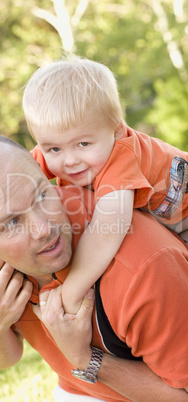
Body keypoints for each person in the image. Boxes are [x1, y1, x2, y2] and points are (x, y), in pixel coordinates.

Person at [0, 135, 188, 401]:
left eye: (42, 194)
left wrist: (86, 359)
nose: (44, 228)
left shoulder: (144, 265)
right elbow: (2, 358)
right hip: (78, 392)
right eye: (11, 223)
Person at [22, 55, 188, 314]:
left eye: (83, 144)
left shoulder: (123, 153)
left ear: (117, 130)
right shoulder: (63, 147)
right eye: (54, 148)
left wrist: (69, 295)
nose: (69, 161)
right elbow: (14, 172)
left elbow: (107, 231)